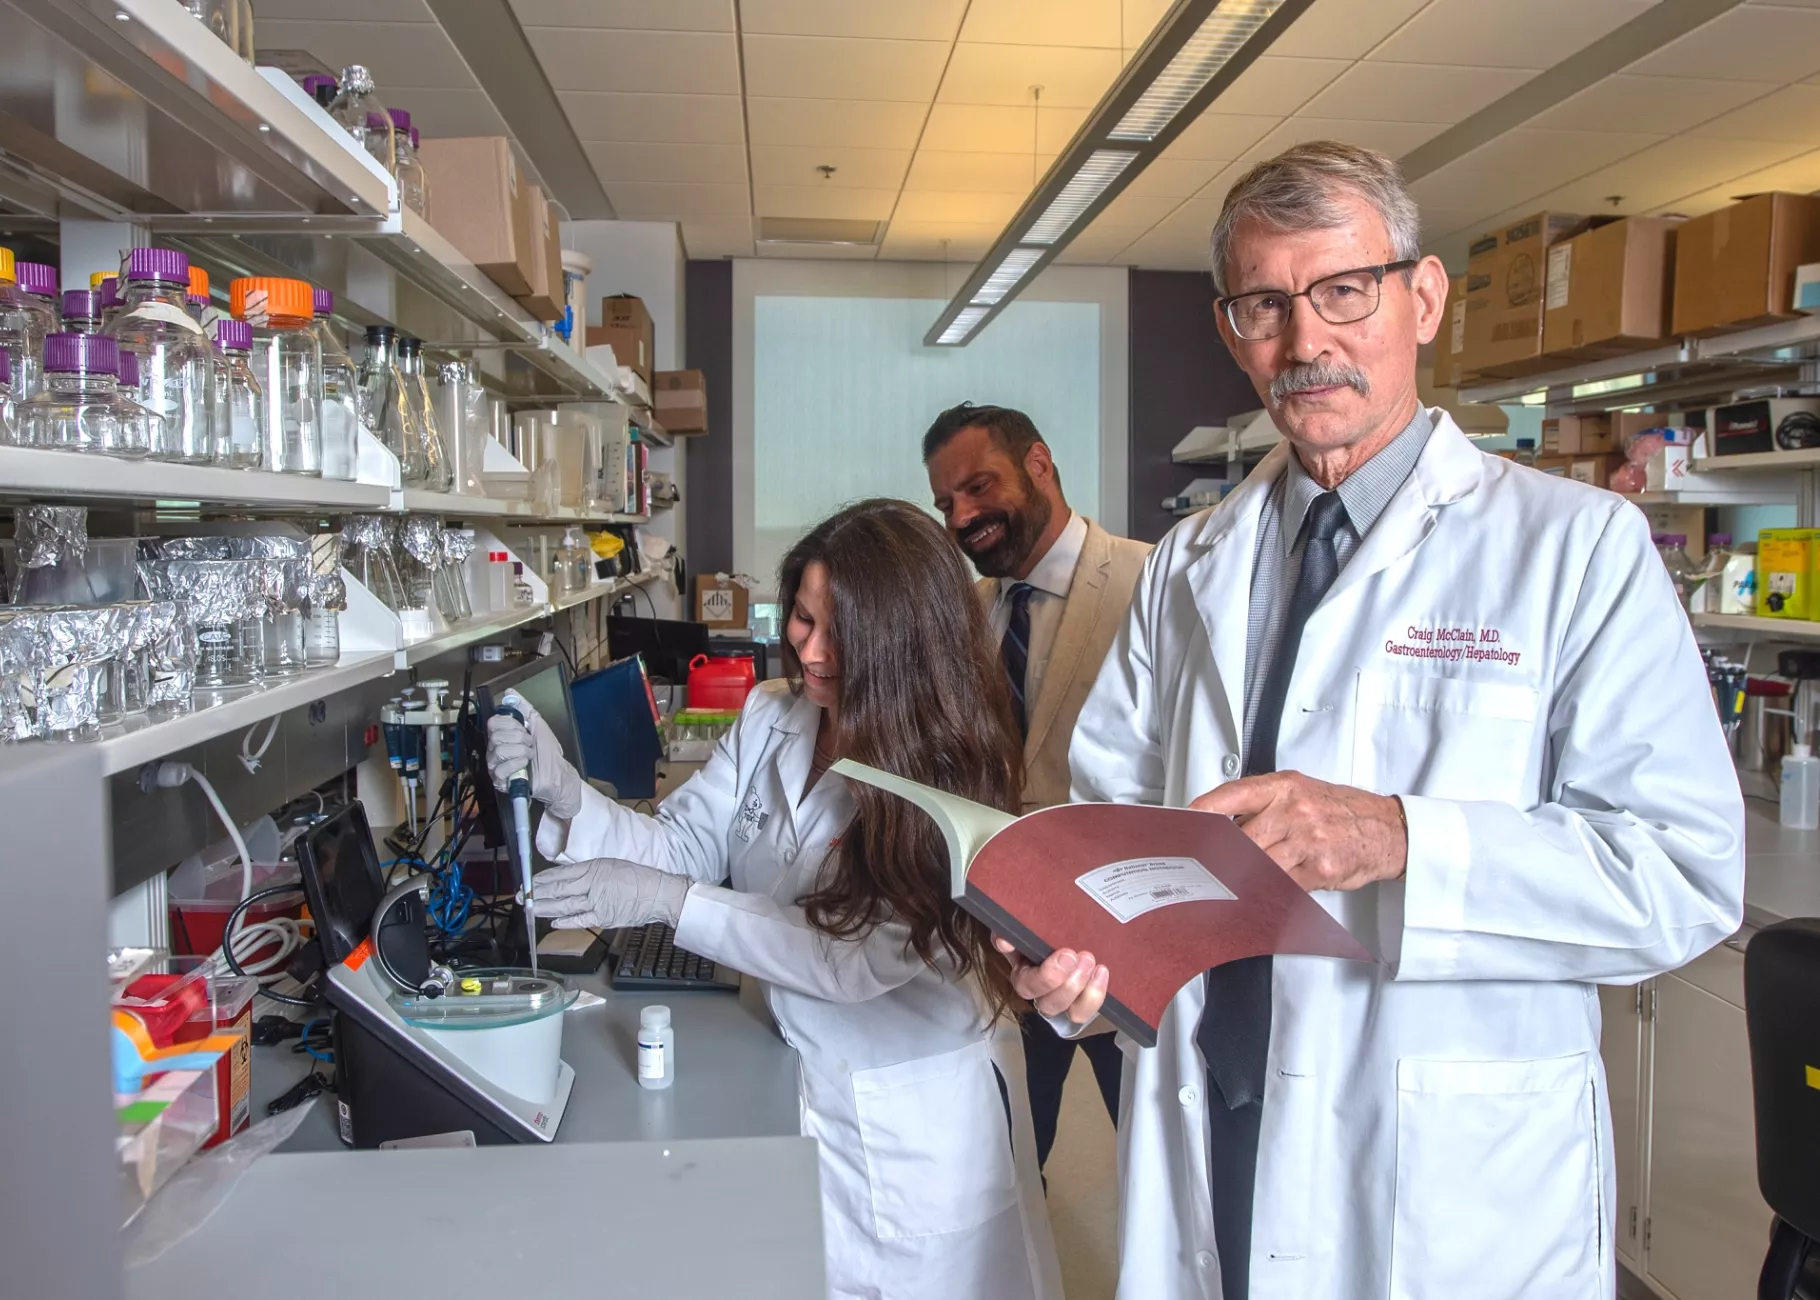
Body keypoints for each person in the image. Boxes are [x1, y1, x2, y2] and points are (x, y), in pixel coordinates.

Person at [1006, 140, 1745, 1300]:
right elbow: (1109, 822)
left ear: (1424, 297)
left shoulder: (1573, 550)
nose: (1305, 343)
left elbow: (1680, 870)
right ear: (1229, 329)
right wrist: (1060, 940)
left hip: (1438, 1157)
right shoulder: (1185, 565)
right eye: (1264, 304)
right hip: (1211, 1099)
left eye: (1342, 290)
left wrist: (1401, 837)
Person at [488, 498, 1063, 1300]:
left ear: (902, 645)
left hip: (908, 1117)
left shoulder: (946, 779)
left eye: (842, 634)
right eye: (802, 616)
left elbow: (849, 962)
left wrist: (669, 903)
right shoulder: (771, 716)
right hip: (799, 1070)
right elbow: (683, 846)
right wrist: (565, 794)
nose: (812, 650)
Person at [923, 401, 1150, 1171]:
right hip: (1005, 951)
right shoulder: (973, 613)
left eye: (979, 487)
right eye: (947, 503)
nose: (964, 516)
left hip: (1130, 954)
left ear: (1041, 466)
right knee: (1012, 1167)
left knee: (1166, 1179)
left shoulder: (1152, 582)